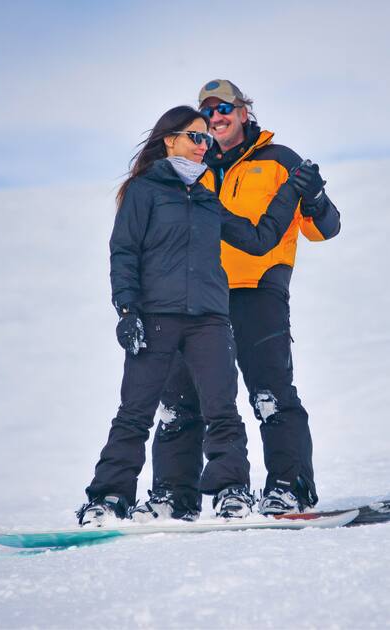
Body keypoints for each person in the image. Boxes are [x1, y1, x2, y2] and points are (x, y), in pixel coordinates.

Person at [77, 105, 303, 526]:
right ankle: (108, 498)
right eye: (194, 137)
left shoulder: (206, 197)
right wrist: (127, 310)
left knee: (223, 410)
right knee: (135, 413)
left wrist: (290, 192)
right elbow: (123, 251)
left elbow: (258, 239)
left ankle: (232, 493)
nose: (204, 145)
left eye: (206, 139)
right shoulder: (144, 191)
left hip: (210, 320)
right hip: (157, 317)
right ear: (170, 141)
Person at [137, 80, 341, 520]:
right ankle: (176, 495)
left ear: (244, 111)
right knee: (180, 400)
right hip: (197, 297)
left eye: (224, 107)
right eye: (207, 111)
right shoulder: (195, 165)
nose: (216, 117)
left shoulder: (279, 161)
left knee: (270, 393)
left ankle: (289, 487)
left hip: (259, 288)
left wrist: (317, 196)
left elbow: (323, 229)